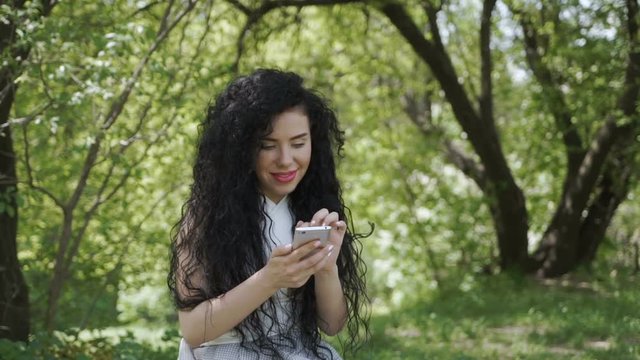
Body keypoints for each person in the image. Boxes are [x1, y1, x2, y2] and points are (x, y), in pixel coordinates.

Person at [168, 69, 369, 359]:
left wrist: (326, 268)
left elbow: (332, 324)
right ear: (240, 148)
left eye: (299, 143)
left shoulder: (312, 208)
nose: (286, 160)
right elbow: (193, 330)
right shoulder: (206, 217)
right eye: (268, 145)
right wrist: (270, 279)